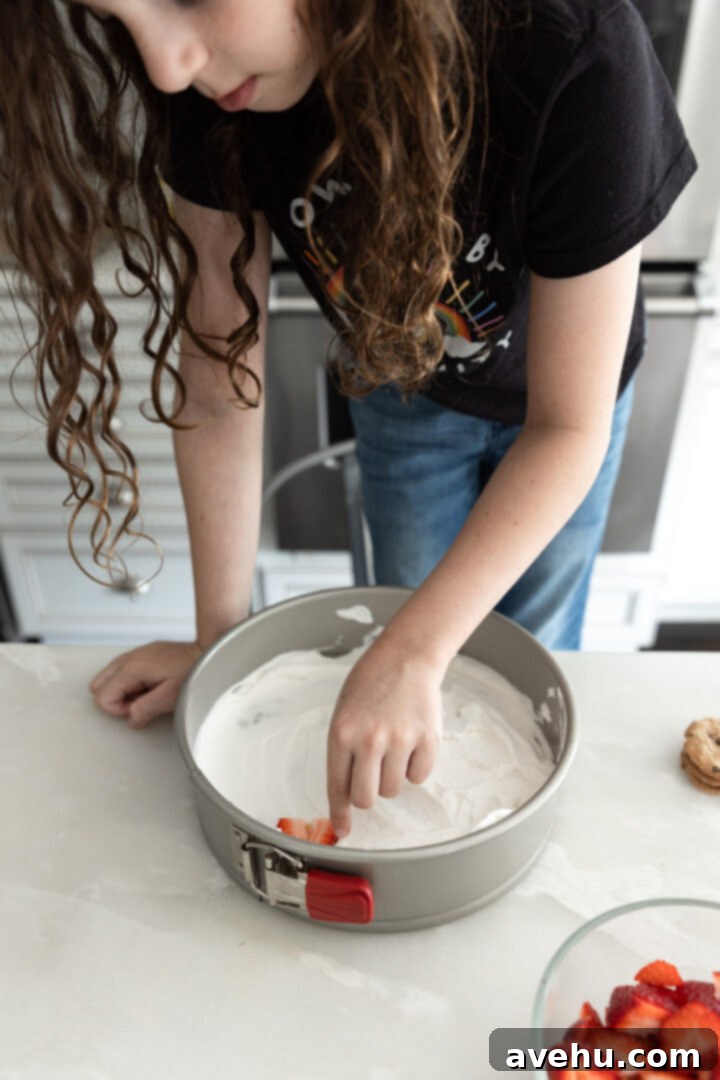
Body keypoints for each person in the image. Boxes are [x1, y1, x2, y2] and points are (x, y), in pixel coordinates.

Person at [0, 0, 696, 838]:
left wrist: (411, 651)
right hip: (405, 391)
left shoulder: (571, 42)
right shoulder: (211, 82)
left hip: (566, 412)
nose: (168, 67)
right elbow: (219, 378)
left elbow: (567, 428)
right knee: (409, 607)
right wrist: (219, 651)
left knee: (528, 641)